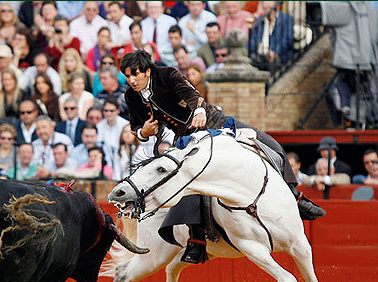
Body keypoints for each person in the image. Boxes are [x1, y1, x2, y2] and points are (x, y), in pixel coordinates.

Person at [120, 50, 325, 264]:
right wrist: (144, 132)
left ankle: (295, 196)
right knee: (185, 181)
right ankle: (197, 240)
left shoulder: (167, 75)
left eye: (136, 74)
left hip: (214, 122)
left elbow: (191, 94)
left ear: (147, 70)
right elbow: (136, 127)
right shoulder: (131, 96)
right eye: (127, 75)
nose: (132, 80)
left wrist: (199, 111)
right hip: (186, 139)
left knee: (270, 144)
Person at [249, 1, 294, 73]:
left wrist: (275, 52)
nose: (267, 10)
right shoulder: (260, 20)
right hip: (261, 53)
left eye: (270, 8)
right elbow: (253, 39)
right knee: (251, 59)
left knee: (274, 63)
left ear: (277, 8)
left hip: (278, 54)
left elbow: (287, 39)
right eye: (265, 8)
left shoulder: (286, 18)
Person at [96, 97, 130, 173]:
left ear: (118, 111)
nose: (108, 113)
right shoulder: (99, 126)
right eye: (106, 110)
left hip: (122, 160)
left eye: (112, 111)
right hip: (104, 162)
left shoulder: (125, 125)